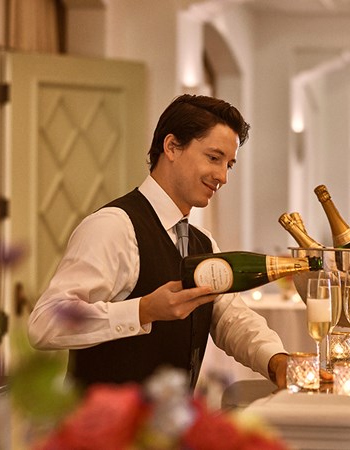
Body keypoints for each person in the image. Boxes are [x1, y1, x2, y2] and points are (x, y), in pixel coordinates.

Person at [28, 94, 288, 389]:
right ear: (172, 146)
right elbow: (45, 323)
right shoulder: (114, 227)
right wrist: (144, 310)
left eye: (229, 164)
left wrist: (276, 359)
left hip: (166, 429)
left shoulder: (203, 243)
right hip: (105, 429)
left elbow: (230, 316)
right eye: (214, 158)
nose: (222, 177)